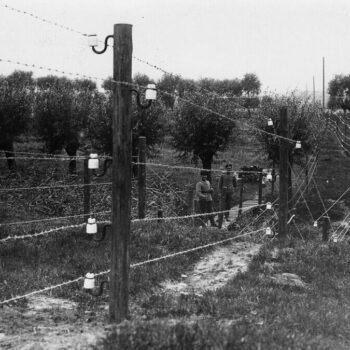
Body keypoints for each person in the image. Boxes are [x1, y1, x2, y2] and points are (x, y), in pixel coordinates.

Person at [218, 163, 237, 229]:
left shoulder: (233, 176)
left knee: (228, 205)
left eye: (230, 168)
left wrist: (233, 187)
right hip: (223, 192)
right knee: (222, 204)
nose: (229, 169)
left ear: (231, 169)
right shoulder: (222, 175)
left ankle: (227, 217)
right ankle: (220, 217)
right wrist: (220, 192)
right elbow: (219, 185)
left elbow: (235, 184)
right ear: (226, 169)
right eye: (228, 168)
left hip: (230, 192)